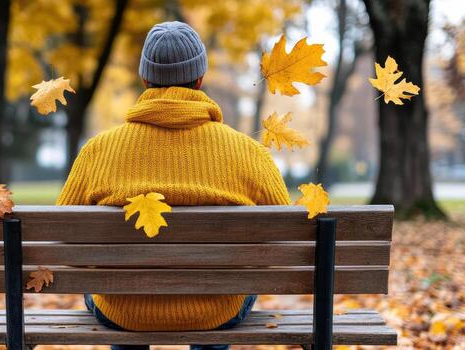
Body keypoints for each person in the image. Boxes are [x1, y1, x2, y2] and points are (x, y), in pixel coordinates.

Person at [57, 21, 290, 350]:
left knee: (112, 296)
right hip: (215, 309)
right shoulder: (248, 152)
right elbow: (285, 236)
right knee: (229, 294)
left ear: (144, 79)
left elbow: (62, 238)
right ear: (199, 79)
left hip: (123, 310)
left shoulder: (99, 150)